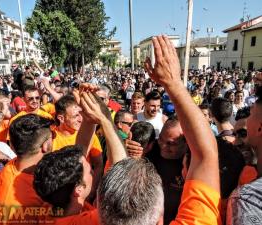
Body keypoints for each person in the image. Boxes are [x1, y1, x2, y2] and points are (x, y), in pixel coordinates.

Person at [97, 35, 221, 225]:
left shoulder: (188, 162)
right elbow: (207, 154)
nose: (162, 145)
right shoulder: (152, 152)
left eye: (170, 143)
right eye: (161, 139)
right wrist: (173, 83)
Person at [33, 89, 127, 224]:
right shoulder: (90, 221)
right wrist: (106, 120)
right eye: (89, 171)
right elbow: (122, 172)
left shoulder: (48, 207)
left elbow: (80, 149)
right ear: (79, 189)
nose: (93, 172)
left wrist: (87, 115)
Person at [0, 114, 53, 224]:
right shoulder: (22, 201)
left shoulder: (12, 165)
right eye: (52, 136)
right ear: (45, 145)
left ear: (11, 146)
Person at [52, 94, 103, 201]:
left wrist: (92, 189)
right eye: (76, 116)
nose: (81, 119)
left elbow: (98, 164)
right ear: (61, 118)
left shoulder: (89, 136)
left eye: (81, 114)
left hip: (83, 196)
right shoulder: (50, 138)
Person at [227, 86, 262, 224]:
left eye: (243, 133)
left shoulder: (247, 200)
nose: (236, 142)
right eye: (234, 134)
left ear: (259, 127)